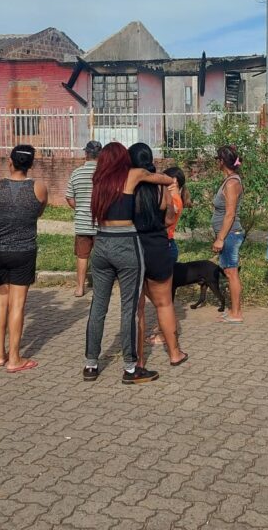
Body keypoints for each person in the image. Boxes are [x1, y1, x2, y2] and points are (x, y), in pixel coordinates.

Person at [84, 142, 174, 384]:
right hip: (126, 244)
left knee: (98, 307)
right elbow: (161, 179)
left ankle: (90, 365)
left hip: (101, 244)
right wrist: (162, 179)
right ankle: (131, 368)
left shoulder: (98, 181)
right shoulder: (132, 175)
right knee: (129, 309)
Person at [0, 145, 47, 373]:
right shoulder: (40, 188)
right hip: (24, 251)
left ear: (10, 162)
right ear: (31, 164)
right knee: (17, 305)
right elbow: (38, 212)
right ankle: (15, 358)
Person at [129, 143, 187, 370]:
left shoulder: (127, 185)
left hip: (133, 247)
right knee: (164, 304)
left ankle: (139, 360)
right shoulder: (161, 187)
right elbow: (170, 219)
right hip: (158, 247)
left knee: (137, 308)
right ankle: (174, 353)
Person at [212, 145, 245, 324]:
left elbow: (230, 214)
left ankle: (236, 313)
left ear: (222, 161)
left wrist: (220, 238)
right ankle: (233, 310)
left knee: (231, 272)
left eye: (217, 159)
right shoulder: (230, 180)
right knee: (229, 271)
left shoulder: (232, 183)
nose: (216, 162)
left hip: (231, 234)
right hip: (228, 234)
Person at [66, 141, 101, 297]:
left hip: (82, 223)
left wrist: (79, 208)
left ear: (86, 154)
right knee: (101, 257)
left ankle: (80, 288)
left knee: (82, 256)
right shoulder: (105, 174)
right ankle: (100, 288)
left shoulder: (76, 173)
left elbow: (69, 197)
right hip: (101, 223)